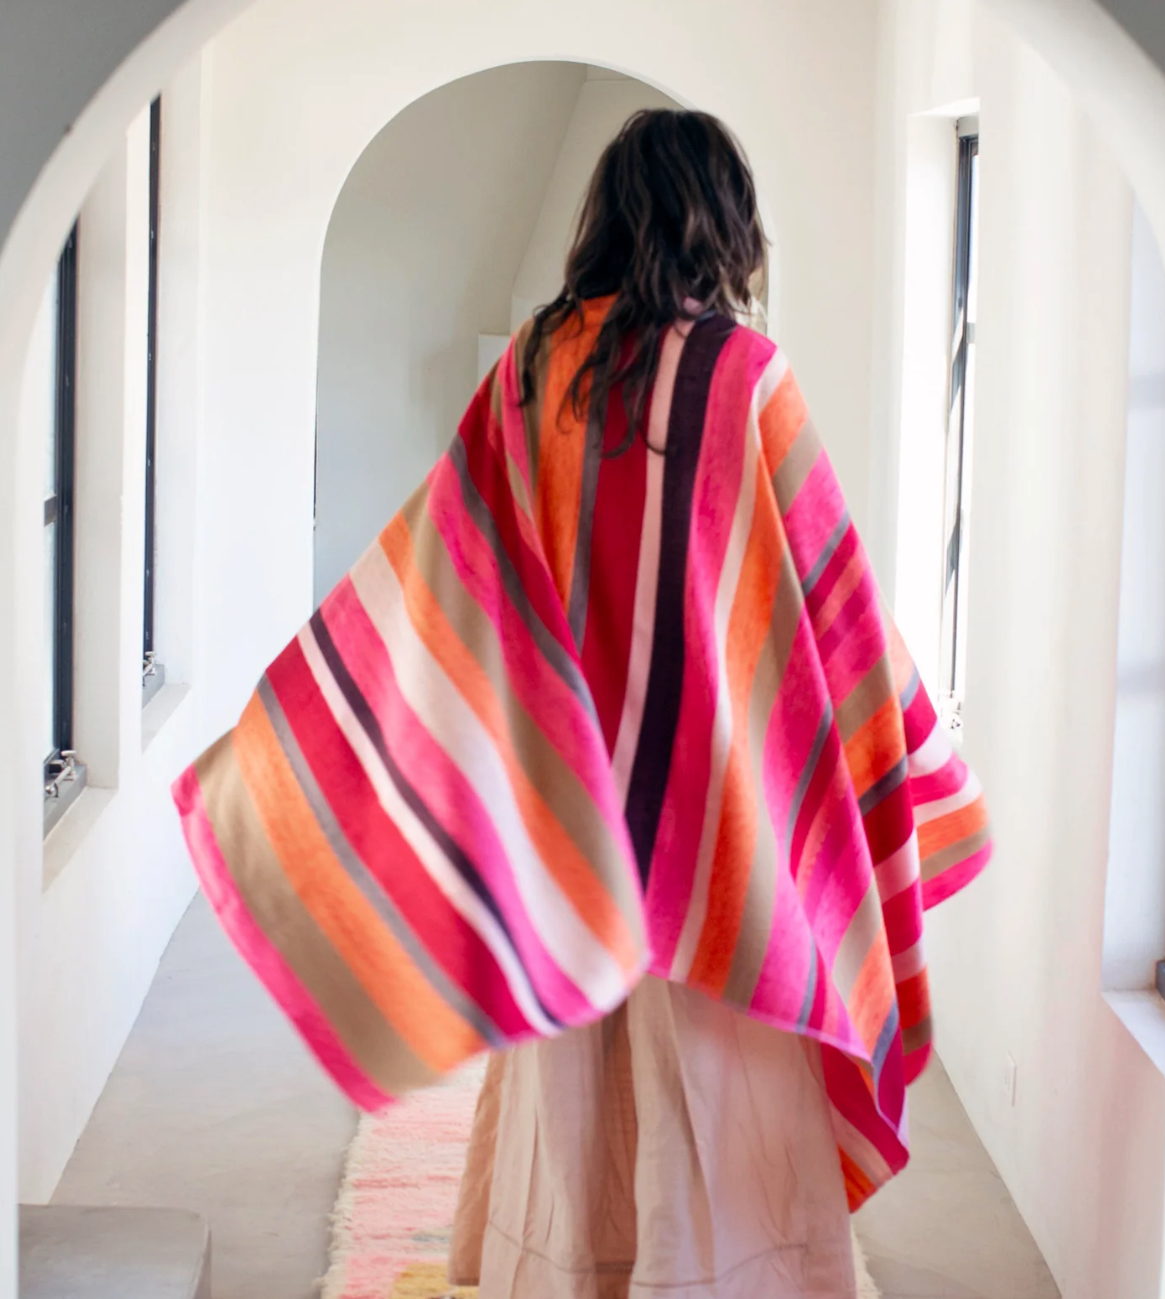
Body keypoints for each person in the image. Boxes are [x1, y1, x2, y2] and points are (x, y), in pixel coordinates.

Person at [174, 109, 990, 1299]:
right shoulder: (745, 378)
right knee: (724, 1082)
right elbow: (828, 596)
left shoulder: (528, 371)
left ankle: (565, 1270)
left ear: (604, 216)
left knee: (572, 1075)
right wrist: (907, 755)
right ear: (724, 222)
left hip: (559, 805)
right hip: (720, 808)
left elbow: (449, 570)